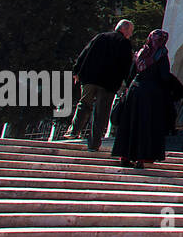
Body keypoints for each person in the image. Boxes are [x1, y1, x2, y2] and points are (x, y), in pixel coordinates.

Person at [67, 20, 135, 150]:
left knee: (83, 103)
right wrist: (128, 83)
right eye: (130, 31)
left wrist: (76, 71)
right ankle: (93, 143)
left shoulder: (101, 37)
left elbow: (85, 53)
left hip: (90, 78)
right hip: (108, 83)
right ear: (125, 30)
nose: (130, 34)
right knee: (101, 113)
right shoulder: (124, 44)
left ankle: (74, 130)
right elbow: (126, 66)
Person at [111, 29, 174, 169]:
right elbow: (164, 76)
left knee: (130, 123)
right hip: (151, 94)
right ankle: (141, 158)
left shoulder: (141, 52)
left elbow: (131, 74)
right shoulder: (161, 54)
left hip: (134, 91)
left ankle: (125, 156)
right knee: (145, 125)